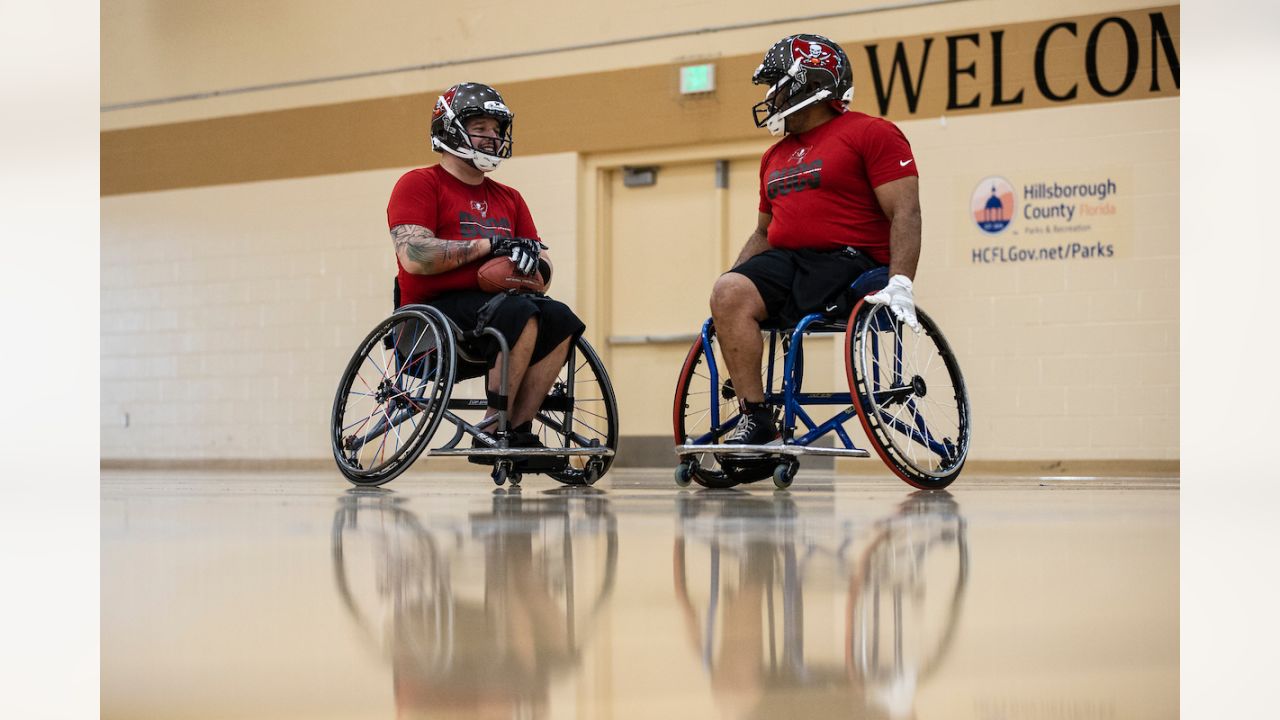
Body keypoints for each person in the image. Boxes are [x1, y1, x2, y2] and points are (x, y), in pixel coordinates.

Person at [709, 33, 925, 446]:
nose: (770, 96)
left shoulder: (872, 133)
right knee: (729, 291)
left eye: (778, 85)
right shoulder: (774, 155)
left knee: (756, 291)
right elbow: (763, 232)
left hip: (851, 264)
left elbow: (906, 212)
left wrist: (901, 281)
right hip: (790, 262)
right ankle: (757, 419)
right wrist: (729, 294)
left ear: (810, 84)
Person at [386, 82, 584, 448]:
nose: (492, 138)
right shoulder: (419, 184)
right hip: (434, 315)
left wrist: (535, 265)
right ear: (449, 128)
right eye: (480, 129)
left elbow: (542, 261)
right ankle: (492, 429)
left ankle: (519, 431)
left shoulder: (510, 197)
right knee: (520, 312)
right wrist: (490, 245)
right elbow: (413, 256)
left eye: (496, 131)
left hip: (500, 306)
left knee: (560, 317)